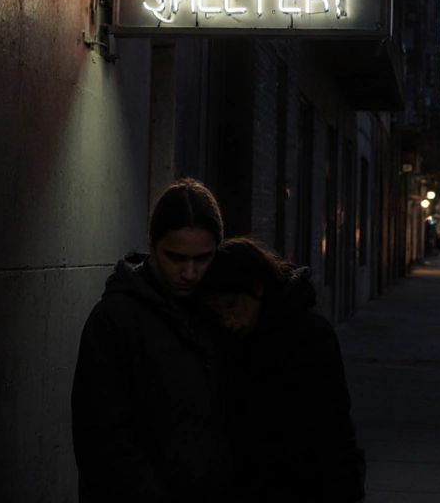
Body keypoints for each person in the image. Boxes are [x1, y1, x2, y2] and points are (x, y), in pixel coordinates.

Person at [71, 178, 233, 502]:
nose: (190, 273)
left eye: (202, 258)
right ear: (152, 243)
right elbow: (103, 442)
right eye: (176, 258)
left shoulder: (223, 312)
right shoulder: (114, 320)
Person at [197, 237, 366, 503]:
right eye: (218, 313)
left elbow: (331, 427)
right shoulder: (230, 340)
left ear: (257, 289)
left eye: (231, 307)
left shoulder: (307, 334)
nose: (227, 321)